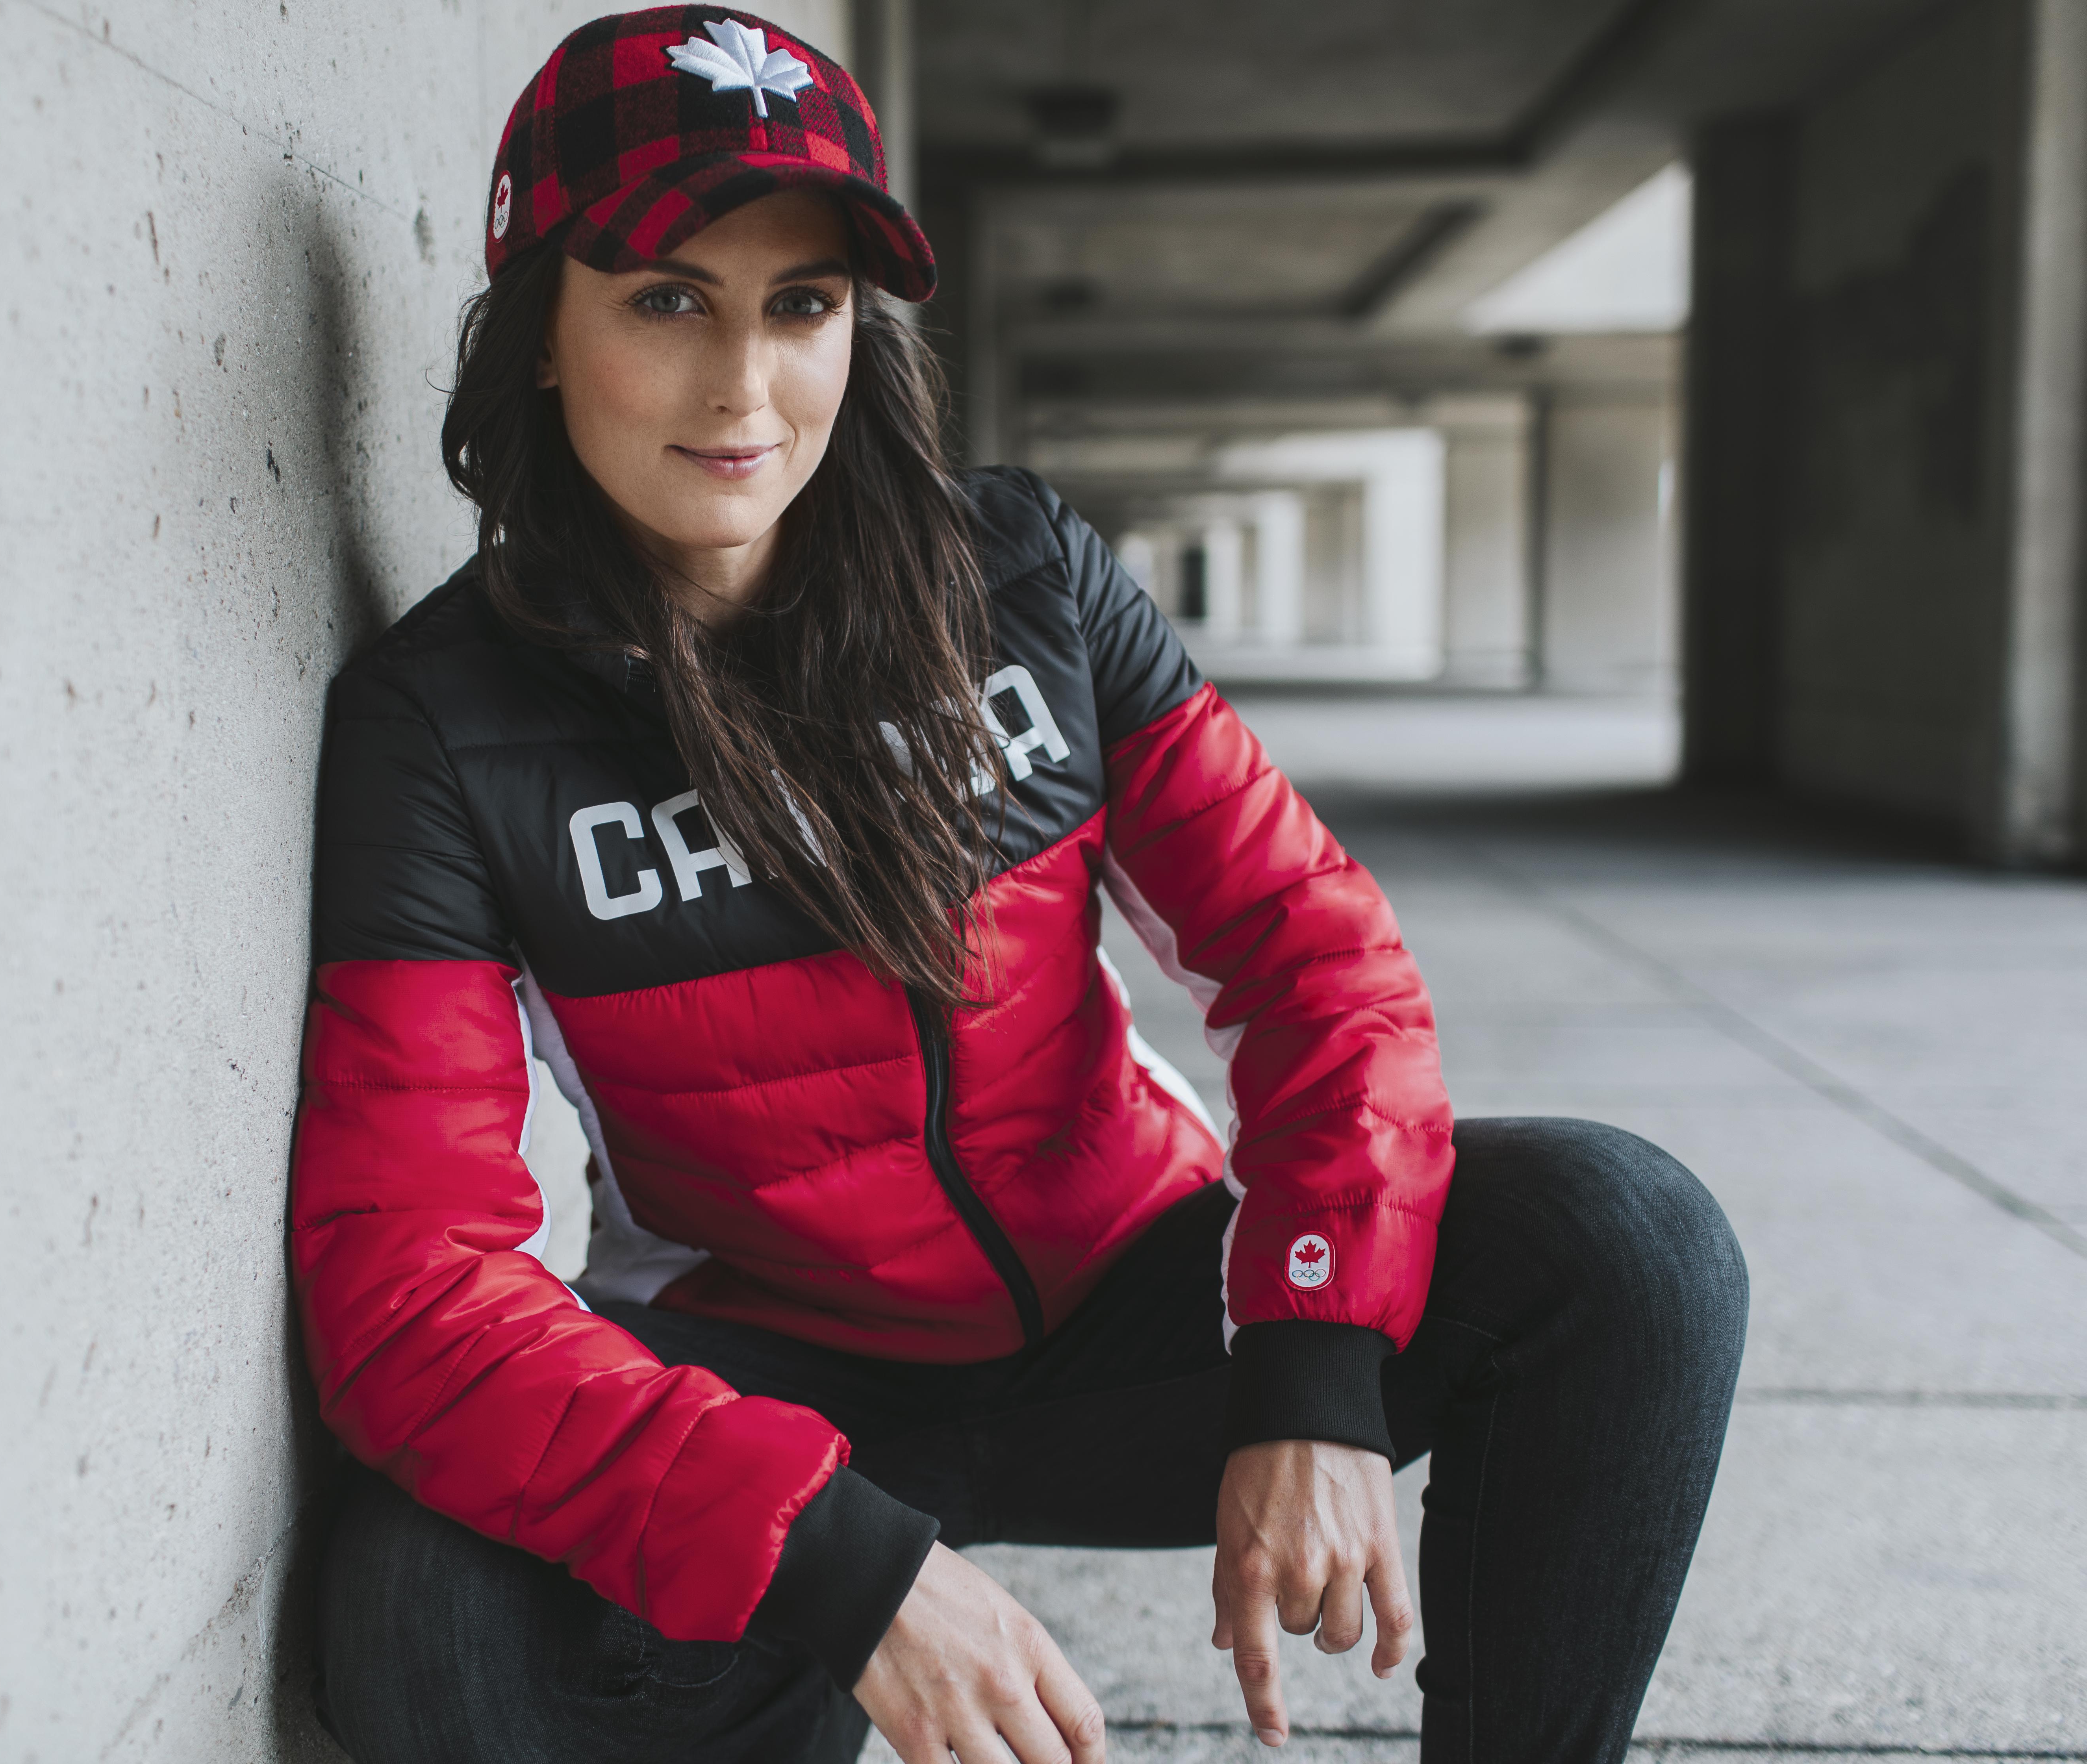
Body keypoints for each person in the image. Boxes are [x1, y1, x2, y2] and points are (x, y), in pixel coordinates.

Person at [293, 11, 1748, 1762]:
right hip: (768, 1369)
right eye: (668, 301)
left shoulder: (1021, 579)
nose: (745, 388)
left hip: (1133, 1301)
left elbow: (1312, 953)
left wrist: (1311, 1345)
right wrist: (834, 1563)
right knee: (415, 1589)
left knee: (1627, 1239)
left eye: (801, 305)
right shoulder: (446, 723)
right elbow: (412, 1279)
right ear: (544, 330)